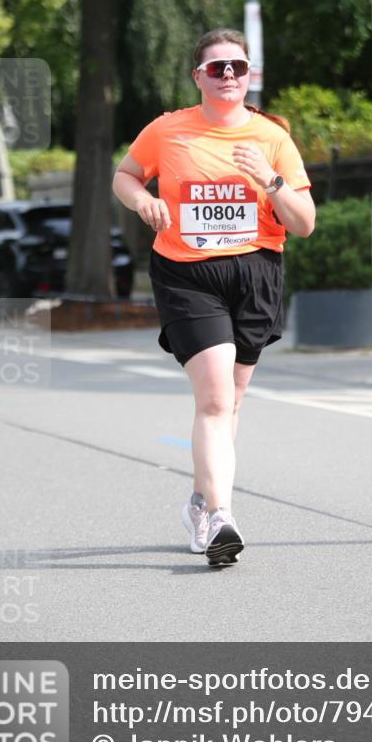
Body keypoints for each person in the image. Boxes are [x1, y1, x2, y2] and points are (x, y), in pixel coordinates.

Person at [112, 28, 315, 567]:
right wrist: (142, 203)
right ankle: (222, 516)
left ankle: (201, 502)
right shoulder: (168, 130)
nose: (229, 75)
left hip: (254, 273)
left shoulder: (272, 137)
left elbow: (305, 223)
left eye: (238, 67)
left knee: (232, 401)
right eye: (218, 67)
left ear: (249, 77)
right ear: (198, 76)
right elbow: (126, 175)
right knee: (215, 400)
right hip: (187, 273)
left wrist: (270, 181)